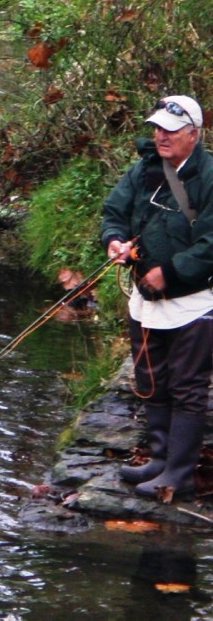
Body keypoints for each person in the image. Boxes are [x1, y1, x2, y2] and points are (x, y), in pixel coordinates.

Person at [101, 95, 213, 501]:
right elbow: (113, 210)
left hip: (196, 302)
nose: (160, 135)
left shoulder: (211, 176)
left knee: (187, 386)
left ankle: (178, 476)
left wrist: (170, 271)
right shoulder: (143, 169)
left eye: (170, 129)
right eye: (157, 128)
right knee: (151, 379)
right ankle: (160, 459)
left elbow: (211, 243)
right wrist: (114, 240)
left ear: (193, 135)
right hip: (144, 299)